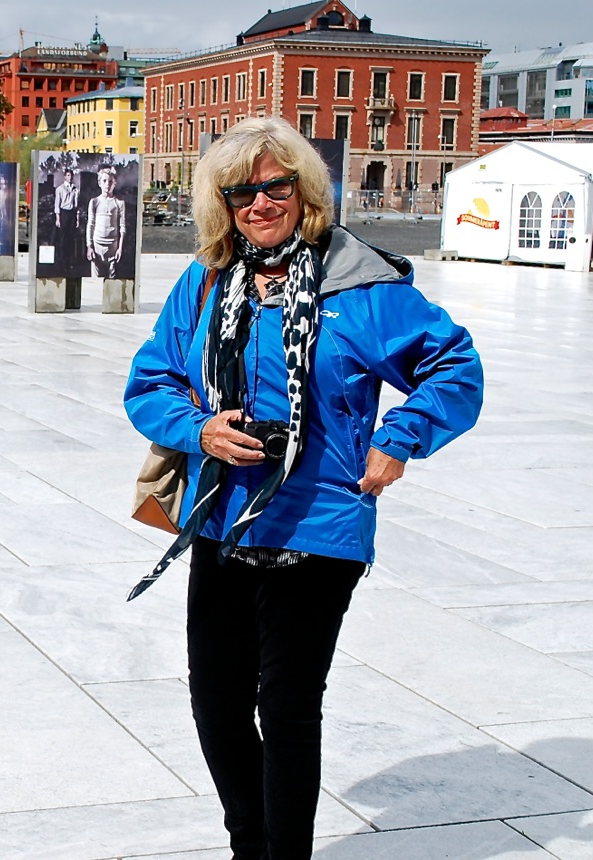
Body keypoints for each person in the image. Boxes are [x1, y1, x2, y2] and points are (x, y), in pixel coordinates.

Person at [123, 117, 483, 859]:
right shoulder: (207, 281)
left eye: (274, 186)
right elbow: (150, 382)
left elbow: (456, 366)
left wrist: (398, 438)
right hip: (223, 521)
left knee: (286, 710)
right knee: (216, 706)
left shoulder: (360, 284)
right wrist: (201, 430)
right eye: (241, 191)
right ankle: (248, 844)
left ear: (303, 189)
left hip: (320, 525)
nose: (260, 203)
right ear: (221, 202)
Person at [86, 166, 126, 277]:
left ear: (115, 183)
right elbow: (90, 224)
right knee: (95, 281)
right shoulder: (94, 202)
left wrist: (120, 249)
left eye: (110, 181)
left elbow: (122, 227)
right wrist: (89, 246)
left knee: (112, 282)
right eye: (104, 181)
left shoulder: (119, 203)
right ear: (99, 183)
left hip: (113, 248)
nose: (107, 184)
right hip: (97, 247)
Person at [54, 168, 80, 268]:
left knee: (70, 239)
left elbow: (76, 205)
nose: (70, 177)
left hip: (72, 214)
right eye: (68, 175)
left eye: (71, 175)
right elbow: (57, 204)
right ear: (65, 176)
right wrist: (58, 218)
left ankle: (69, 261)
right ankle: (62, 260)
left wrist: (77, 218)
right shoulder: (60, 189)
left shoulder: (75, 189)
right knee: (62, 239)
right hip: (63, 213)